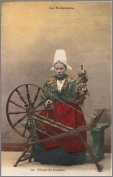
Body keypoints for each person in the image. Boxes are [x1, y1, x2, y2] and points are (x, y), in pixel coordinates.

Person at [32, 49, 88, 165]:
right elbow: (44, 95)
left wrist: (83, 83)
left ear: (65, 68)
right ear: (54, 69)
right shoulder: (49, 82)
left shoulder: (72, 81)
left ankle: (71, 155)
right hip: (53, 110)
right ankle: (52, 153)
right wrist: (47, 101)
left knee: (71, 130)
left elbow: (79, 93)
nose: (59, 71)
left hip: (69, 110)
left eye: (61, 68)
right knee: (46, 126)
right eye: (57, 69)